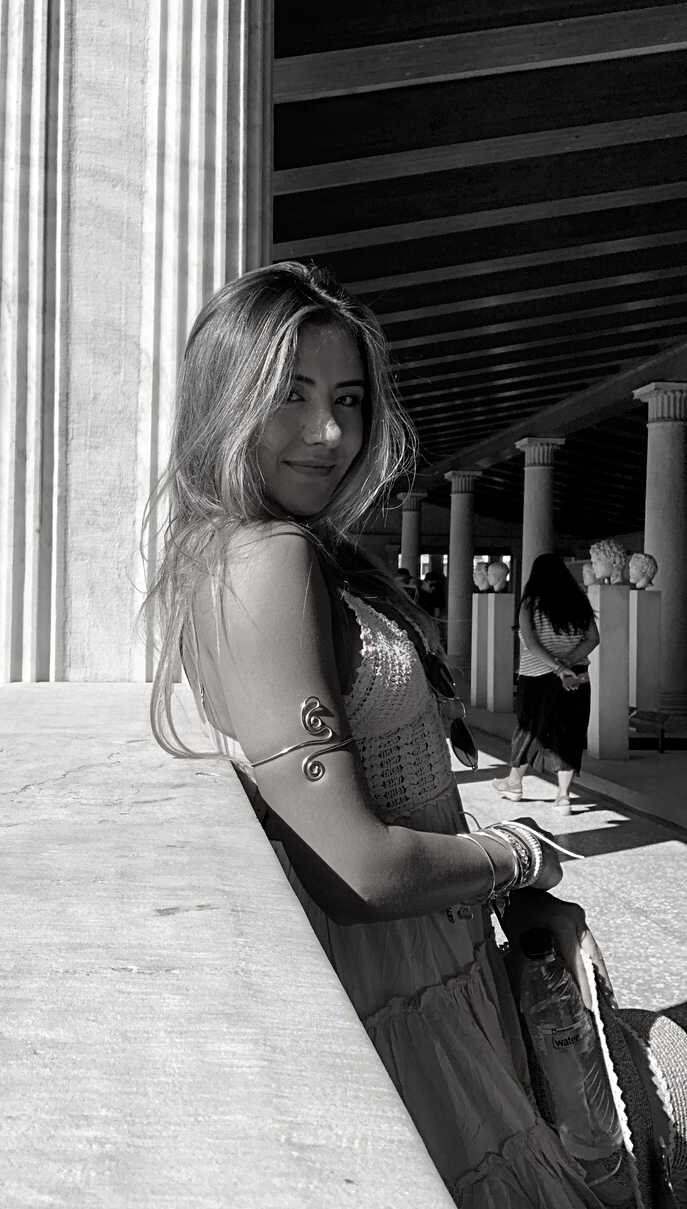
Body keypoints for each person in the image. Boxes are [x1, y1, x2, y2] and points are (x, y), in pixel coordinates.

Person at [144, 262, 606, 1208]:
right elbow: (355, 869)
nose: (329, 433)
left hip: (429, 965)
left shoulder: (245, 549)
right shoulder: (267, 557)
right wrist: (522, 856)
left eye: (347, 400)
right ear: (225, 399)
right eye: (291, 394)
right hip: (396, 994)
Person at [493, 554, 599, 815]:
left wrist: (557, 667)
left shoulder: (530, 604)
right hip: (576, 677)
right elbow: (592, 638)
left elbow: (531, 643)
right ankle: (563, 797)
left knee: (529, 729)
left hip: (536, 677)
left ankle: (515, 783)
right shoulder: (578, 602)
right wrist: (568, 663)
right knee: (569, 732)